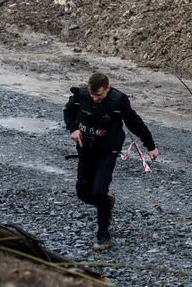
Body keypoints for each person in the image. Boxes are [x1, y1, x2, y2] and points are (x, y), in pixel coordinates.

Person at [64, 72, 159, 251]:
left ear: (107, 88)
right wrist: (73, 129)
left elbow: (135, 123)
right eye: (92, 95)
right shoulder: (81, 96)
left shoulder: (118, 101)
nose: (95, 98)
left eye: (99, 95)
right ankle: (106, 204)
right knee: (83, 193)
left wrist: (150, 146)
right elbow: (68, 112)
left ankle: (103, 235)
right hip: (86, 149)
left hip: (108, 151)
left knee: (99, 190)